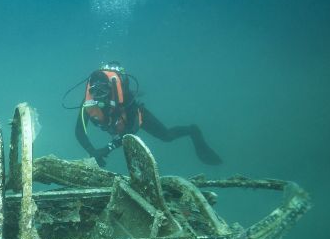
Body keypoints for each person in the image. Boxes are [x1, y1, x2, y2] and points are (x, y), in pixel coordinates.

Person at [75, 62, 222, 167]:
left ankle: (192, 130)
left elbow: (130, 131)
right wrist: (92, 151)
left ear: (111, 89)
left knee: (167, 136)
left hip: (135, 118)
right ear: (90, 91)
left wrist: (107, 148)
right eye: (95, 92)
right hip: (116, 125)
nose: (99, 96)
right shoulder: (88, 103)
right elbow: (79, 131)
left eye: (103, 91)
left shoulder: (124, 100)